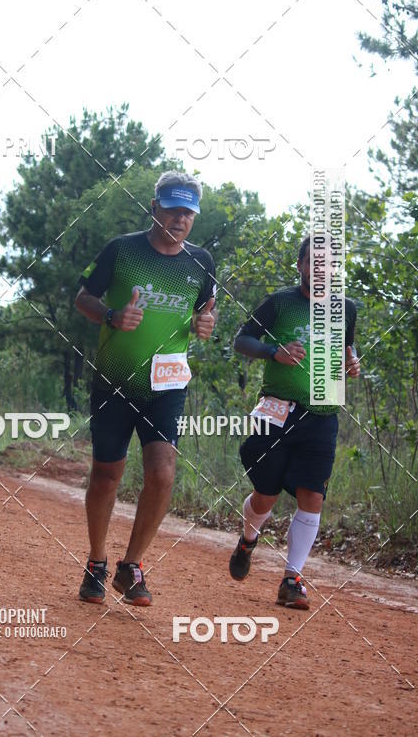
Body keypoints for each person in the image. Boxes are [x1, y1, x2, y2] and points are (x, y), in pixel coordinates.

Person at [75, 171, 217, 606]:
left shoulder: (202, 262)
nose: (179, 219)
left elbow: (205, 315)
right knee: (106, 474)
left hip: (167, 384)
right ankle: (97, 562)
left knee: (162, 473)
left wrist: (205, 325)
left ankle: (131, 566)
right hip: (115, 380)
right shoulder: (122, 250)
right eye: (171, 209)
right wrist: (112, 315)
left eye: (187, 212)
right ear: (153, 207)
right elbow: (83, 297)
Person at [229, 235, 361, 609]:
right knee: (266, 495)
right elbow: (242, 341)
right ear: (301, 264)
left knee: (312, 496)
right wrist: (275, 351)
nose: (322, 269)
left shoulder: (345, 309)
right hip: (277, 410)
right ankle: (248, 540)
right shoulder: (280, 303)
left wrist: (352, 363)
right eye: (314, 261)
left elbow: (348, 348)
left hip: (322, 416)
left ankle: (292, 580)